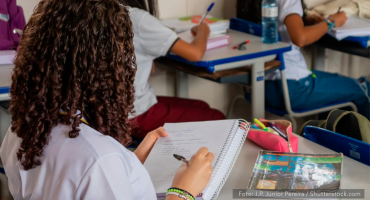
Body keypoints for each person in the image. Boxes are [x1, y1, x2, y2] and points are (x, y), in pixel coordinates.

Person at [0, 0, 214, 199]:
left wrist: (130, 161)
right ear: (103, 68)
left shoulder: (21, 130)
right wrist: (182, 191)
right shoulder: (100, 160)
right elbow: (94, 171)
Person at [237, 0, 370, 119]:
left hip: (260, 88)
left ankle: (327, 140)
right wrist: (330, 22)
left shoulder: (250, 3)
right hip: (292, 87)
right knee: (363, 88)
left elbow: (277, 29)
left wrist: (305, 22)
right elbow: (300, 38)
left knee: (339, 82)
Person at [119, 0, 226, 140]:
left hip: (112, 110)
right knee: (217, 118)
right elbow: (195, 54)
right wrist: (203, 30)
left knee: (201, 106)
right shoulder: (136, 18)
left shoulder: (98, 12)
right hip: (134, 114)